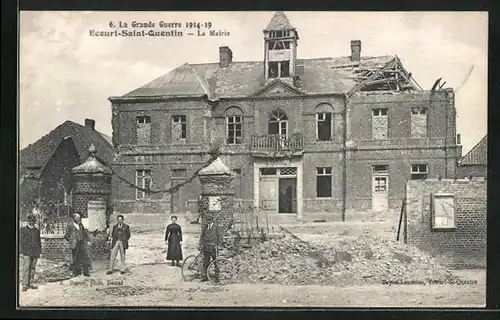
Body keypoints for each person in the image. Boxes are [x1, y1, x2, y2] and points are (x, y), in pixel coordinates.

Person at [20, 214, 42, 291]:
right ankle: (25, 284)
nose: (31, 222)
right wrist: (21, 252)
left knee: (33, 268)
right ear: (27, 221)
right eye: (30, 221)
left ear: (34, 221)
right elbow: (21, 242)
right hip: (26, 252)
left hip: (35, 252)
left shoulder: (37, 231)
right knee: (26, 268)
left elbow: (39, 242)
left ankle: (31, 283)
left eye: (33, 221)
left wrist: (40, 252)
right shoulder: (23, 230)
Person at [198, 214, 222, 282]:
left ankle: (217, 278)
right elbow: (202, 236)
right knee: (205, 262)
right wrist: (200, 244)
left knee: (215, 262)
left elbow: (219, 236)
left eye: (209, 220)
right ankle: (205, 277)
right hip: (206, 247)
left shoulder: (216, 227)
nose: (208, 221)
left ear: (212, 220)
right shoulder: (205, 227)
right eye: (207, 220)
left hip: (213, 247)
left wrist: (219, 245)